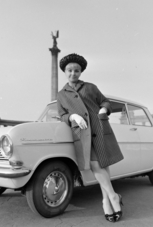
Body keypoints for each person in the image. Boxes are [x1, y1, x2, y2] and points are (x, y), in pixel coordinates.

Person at [57, 53, 124, 222]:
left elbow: (105, 102)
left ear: (81, 72)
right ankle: (113, 196)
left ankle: (106, 201)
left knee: (102, 164)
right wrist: (72, 117)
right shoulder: (61, 94)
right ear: (64, 71)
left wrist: (103, 110)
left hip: (99, 128)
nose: (73, 73)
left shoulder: (91, 87)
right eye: (69, 70)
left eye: (77, 70)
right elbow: (62, 114)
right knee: (96, 165)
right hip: (82, 133)